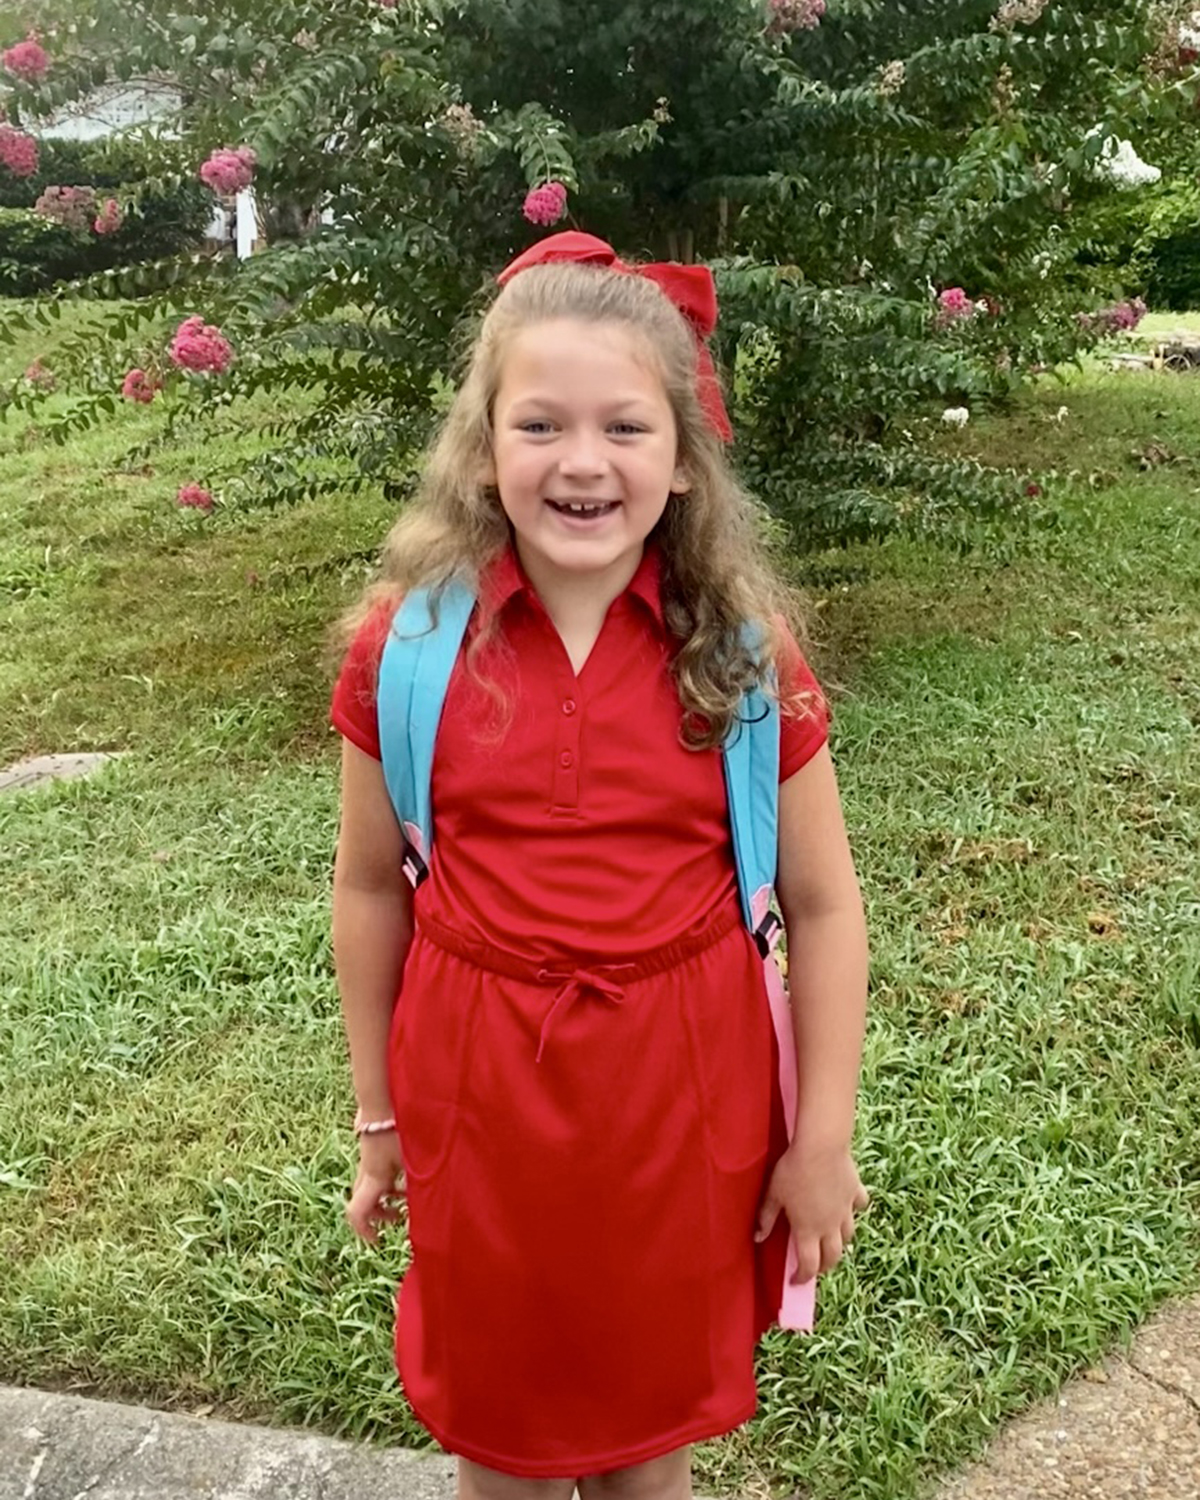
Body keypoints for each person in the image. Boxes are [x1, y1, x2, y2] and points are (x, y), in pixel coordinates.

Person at [329, 231, 869, 1500]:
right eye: (541, 425)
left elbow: (823, 904)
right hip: (478, 1101)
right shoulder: (406, 650)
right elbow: (368, 885)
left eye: (626, 427)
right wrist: (379, 1116)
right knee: (500, 1443)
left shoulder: (741, 656)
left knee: (646, 1446)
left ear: (682, 458)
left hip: (682, 1102)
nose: (583, 461)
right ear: (484, 449)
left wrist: (822, 1141)